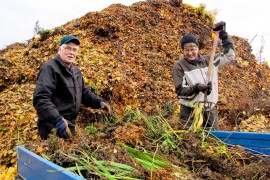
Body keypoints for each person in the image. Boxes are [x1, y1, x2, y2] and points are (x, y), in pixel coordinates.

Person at [33, 35, 112, 140]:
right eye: (68, 48)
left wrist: (100, 102)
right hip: (53, 126)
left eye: (74, 50)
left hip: (70, 124)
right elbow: (41, 98)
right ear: (60, 49)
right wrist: (57, 120)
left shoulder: (75, 71)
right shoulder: (49, 68)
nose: (71, 52)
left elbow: (85, 94)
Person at [172, 21, 235, 130]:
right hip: (189, 111)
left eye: (193, 49)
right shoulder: (179, 66)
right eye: (186, 50)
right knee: (189, 142)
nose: (190, 53)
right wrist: (197, 88)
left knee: (214, 141)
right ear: (183, 50)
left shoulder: (210, 61)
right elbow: (180, 91)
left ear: (197, 48)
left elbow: (230, 55)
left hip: (209, 109)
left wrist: (224, 36)